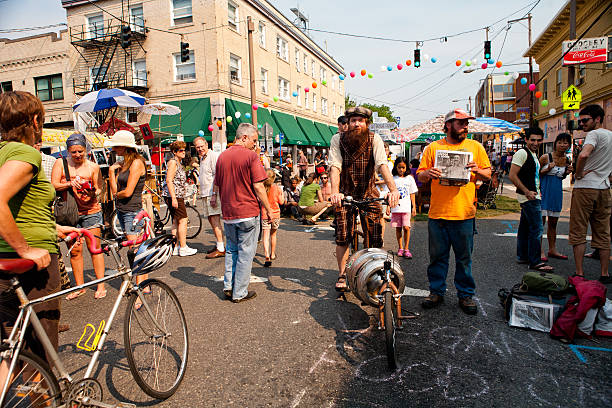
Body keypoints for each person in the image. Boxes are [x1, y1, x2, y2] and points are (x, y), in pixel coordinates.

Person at [0, 91, 64, 361]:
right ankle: (48, 401)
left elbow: (22, 208)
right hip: (33, 263)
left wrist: (58, 230)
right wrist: (26, 248)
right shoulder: (26, 153)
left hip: (5, 257)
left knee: (11, 350)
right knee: (40, 350)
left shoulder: (4, 152)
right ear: (35, 121)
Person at [417, 109, 491, 315]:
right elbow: (421, 176)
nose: (465, 127)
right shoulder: (433, 148)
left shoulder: (475, 147)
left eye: (467, 123)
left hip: (464, 214)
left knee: (464, 259)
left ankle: (465, 295)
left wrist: (477, 170)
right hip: (438, 214)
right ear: (448, 124)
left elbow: (488, 175)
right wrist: (428, 173)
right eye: (461, 123)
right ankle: (436, 292)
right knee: (437, 257)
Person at [329, 107, 400, 291]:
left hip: (369, 193)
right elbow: (335, 167)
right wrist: (335, 192)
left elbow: (382, 164)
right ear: (348, 123)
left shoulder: (374, 139)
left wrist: (393, 190)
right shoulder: (338, 139)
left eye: (360, 121)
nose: (356, 124)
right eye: (353, 120)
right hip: (345, 194)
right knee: (343, 236)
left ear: (367, 123)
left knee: (375, 236)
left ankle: (374, 271)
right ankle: (343, 274)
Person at [214, 123, 272, 303]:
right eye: (254, 140)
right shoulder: (251, 157)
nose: (255, 145)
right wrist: (269, 209)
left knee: (232, 250)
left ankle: (229, 286)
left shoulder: (222, 157)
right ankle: (240, 292)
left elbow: (217, 185)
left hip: (229, 212)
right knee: (246, 253)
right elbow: (259, 186)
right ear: (244, 137)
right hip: (247, 210)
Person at [51, 133, 108, 300]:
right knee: (75, 251)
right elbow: (54, 184)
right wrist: (69, 183)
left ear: (86, 150)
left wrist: (92, 191)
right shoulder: (60, 163)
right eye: (73, 152)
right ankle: (80, 286)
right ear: (68, 151)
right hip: (70, 214)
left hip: (91, 211)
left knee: (94, 249)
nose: (77, 155)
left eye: (80, 151)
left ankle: (101, 285)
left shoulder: (92, 167)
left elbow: (99, 188)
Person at [106, 130, 149, 307]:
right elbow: (116, 190)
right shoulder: (123, 163)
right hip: (124, 210)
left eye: (116, 145)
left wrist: (117, 194)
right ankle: (143, 285)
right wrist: (110, 173)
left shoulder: (137, 163)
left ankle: (140, 289)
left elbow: (127, 192)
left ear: (125, 146)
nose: (114, 149)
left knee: (136, 251)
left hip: (132, 210)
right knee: (138, 249)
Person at [570, 104, 611, 283]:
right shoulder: (610, 136)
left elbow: (583, 155)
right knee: (603, 231)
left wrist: (578, 173)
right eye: (580, 121)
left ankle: (579, 273)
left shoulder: (594, 135)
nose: (582, 124)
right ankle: (604, 273)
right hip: (604, 187)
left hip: (586, 187)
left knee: (578, 229)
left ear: (597, 119)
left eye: (585, 120)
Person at [509, 127, 554, 272]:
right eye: (532, 140)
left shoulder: (533, 154)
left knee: (525, 228)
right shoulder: (522, 153)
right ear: (526, 139)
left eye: (539, 140)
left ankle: (522, 255)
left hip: (532, 194)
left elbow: (533, 175)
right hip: (529, 196)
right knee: (537, 229)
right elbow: (512, 175)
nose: (536, 142)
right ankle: (535, 261)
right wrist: (526, 191)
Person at [539, 133, 573, 261]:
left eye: (566, 143)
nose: (562, 145)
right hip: (544, 192)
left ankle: (552, 249)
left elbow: (562, 177)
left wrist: (567, 173)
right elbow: (537, 174)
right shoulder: (545, 157)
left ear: (569, 145)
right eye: (560, 142)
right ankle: (539, 250)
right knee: (540, 223)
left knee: (553, 223)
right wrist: (547, 169)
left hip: (556, 194)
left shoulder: (567, 160)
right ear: (555, 143)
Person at [162, 141, 197, 256]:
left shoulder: (178, 162)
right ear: (174, 152)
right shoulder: (173, 162)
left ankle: (176, 246)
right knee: (183, 220)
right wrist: (174, 198)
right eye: (180, 150)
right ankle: (183, 247)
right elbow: (169, 180)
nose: (183, 152)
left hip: (176, 195)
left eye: (184, 150)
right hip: (175, 195)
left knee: (176, 221)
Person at [193, 137, 225, 259]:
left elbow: (217, 176)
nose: (200, 149)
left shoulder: (213, 156)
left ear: (207, 144)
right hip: (206, 193)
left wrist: (214, 194)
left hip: (212, 193)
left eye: (202, 146)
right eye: (198, 147)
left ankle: (221, 248)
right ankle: (219, 244)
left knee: (215, 219)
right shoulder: (203, 158)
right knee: (211, 219)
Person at [390, 157, 418, 259]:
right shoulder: (393, 179)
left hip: (406, 207)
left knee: (406, 227)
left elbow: (412, 193)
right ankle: (400, 247)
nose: (401, 170)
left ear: (406, 167)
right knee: (398, 228)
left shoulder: (409, 178)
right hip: (396, 207)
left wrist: (414, 207)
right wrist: (389, 206)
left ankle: (407, 248)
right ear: (396, 167)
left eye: (403, 167)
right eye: (399, 167)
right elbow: (390, 193)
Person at [261, 169, 284, 267]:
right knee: (273, 234)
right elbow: (282, 202)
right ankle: (273, 253)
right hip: (275, 214)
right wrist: (282, 194)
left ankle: (266, 255)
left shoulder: (261, 188)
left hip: (264, 214)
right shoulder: (277, 188)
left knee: (265, 236)